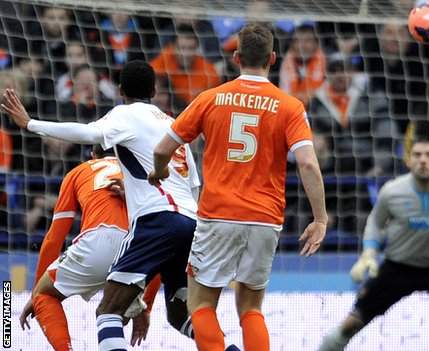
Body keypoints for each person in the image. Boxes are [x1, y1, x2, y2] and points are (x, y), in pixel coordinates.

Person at [149, 23, 328, 351]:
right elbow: (307, 163)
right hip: (264, 217)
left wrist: (158, 172)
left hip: (217, 214)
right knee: (250, 308)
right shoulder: (289, 106)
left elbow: (162, 149)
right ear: (273, 58)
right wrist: (320, 219)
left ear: (235, 57)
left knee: (201, 304)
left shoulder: (210, 99)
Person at [1, 61, 202, 351]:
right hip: (189, 223)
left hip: (139, 228)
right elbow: (193, 187)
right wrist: (144, 306)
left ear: (120, 91)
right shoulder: (174, 126)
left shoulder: (111, 132)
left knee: (105, 312)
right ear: (155, 90)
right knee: (181, 316)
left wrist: (30, 124)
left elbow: (54, 237)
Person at [318, 138, 429, 351]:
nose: (423, 160)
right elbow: (375, 222)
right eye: (417, 155)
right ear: (408, 162)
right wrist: (369, 254)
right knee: (350, 325)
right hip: (398, 267)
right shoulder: (392, 191)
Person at [18, 145, 160, 350]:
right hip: (139, 249)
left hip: (99, 241)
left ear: (93, 155)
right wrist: (145, 308)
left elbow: (54, 239)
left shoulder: (79, 171)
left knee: (44, 295)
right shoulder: (142, 174)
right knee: (114, 315)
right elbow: (158, 244)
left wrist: (37, 289)